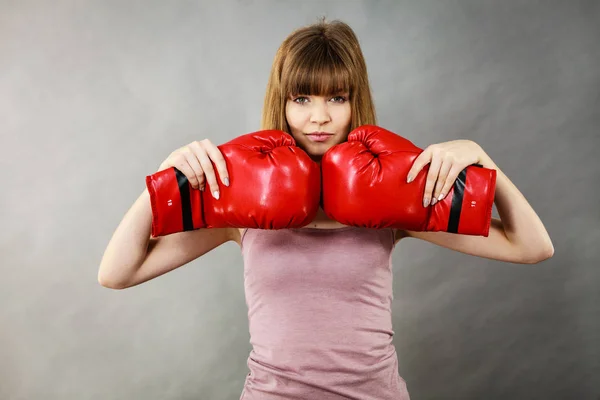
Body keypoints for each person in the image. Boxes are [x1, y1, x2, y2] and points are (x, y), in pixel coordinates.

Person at [98, 18, 554, 400]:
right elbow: (117, 273)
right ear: (283, 102)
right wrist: (165, 179)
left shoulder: (392, 198)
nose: (319, 117)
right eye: (302, 98)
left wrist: (482, 158)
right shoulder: (242, 201)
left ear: (356, 102)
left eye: (337, 97)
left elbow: (531, 246)